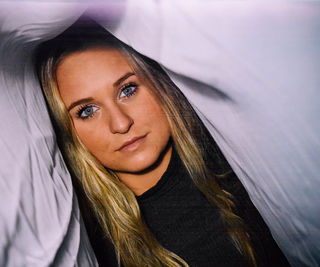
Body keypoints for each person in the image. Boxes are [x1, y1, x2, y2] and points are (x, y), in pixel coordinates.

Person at [35, 23, 289, 267]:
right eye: (87, 110)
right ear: (68, 132)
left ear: (159, 84)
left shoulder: (243, 163)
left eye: (128, 89)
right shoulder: (87, 245)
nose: (121, 124)